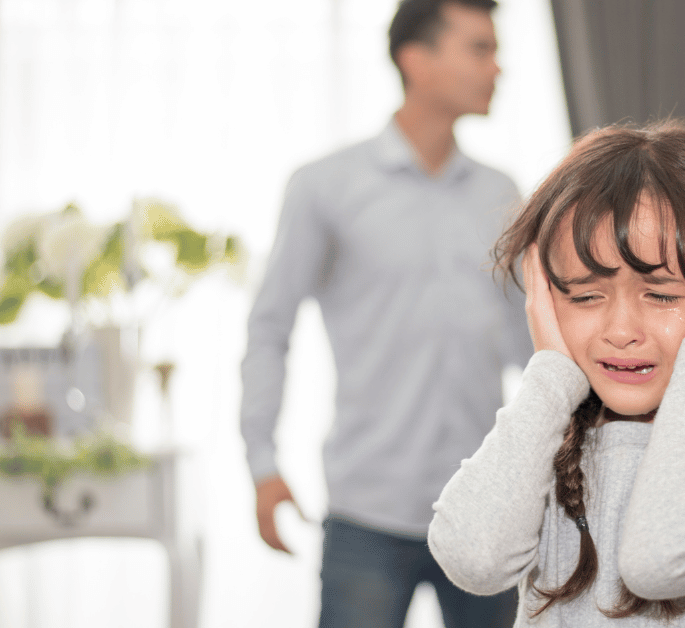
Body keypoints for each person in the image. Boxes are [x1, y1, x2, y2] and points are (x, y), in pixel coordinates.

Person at [427, 122, 685, 626]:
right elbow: (473, 559)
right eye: (584, 295)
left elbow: (662, 559)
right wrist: (552, 374)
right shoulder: (540, 449)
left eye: (662, 295)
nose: (621, 330)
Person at [239, 1, 529, 626]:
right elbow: (270, 328)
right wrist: (262, 463)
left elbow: (529, 344)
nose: (497, 67)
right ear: (414, 59)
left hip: (483, 511)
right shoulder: (326, 186)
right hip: (368, 514)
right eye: (479, 48)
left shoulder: (502, 194)